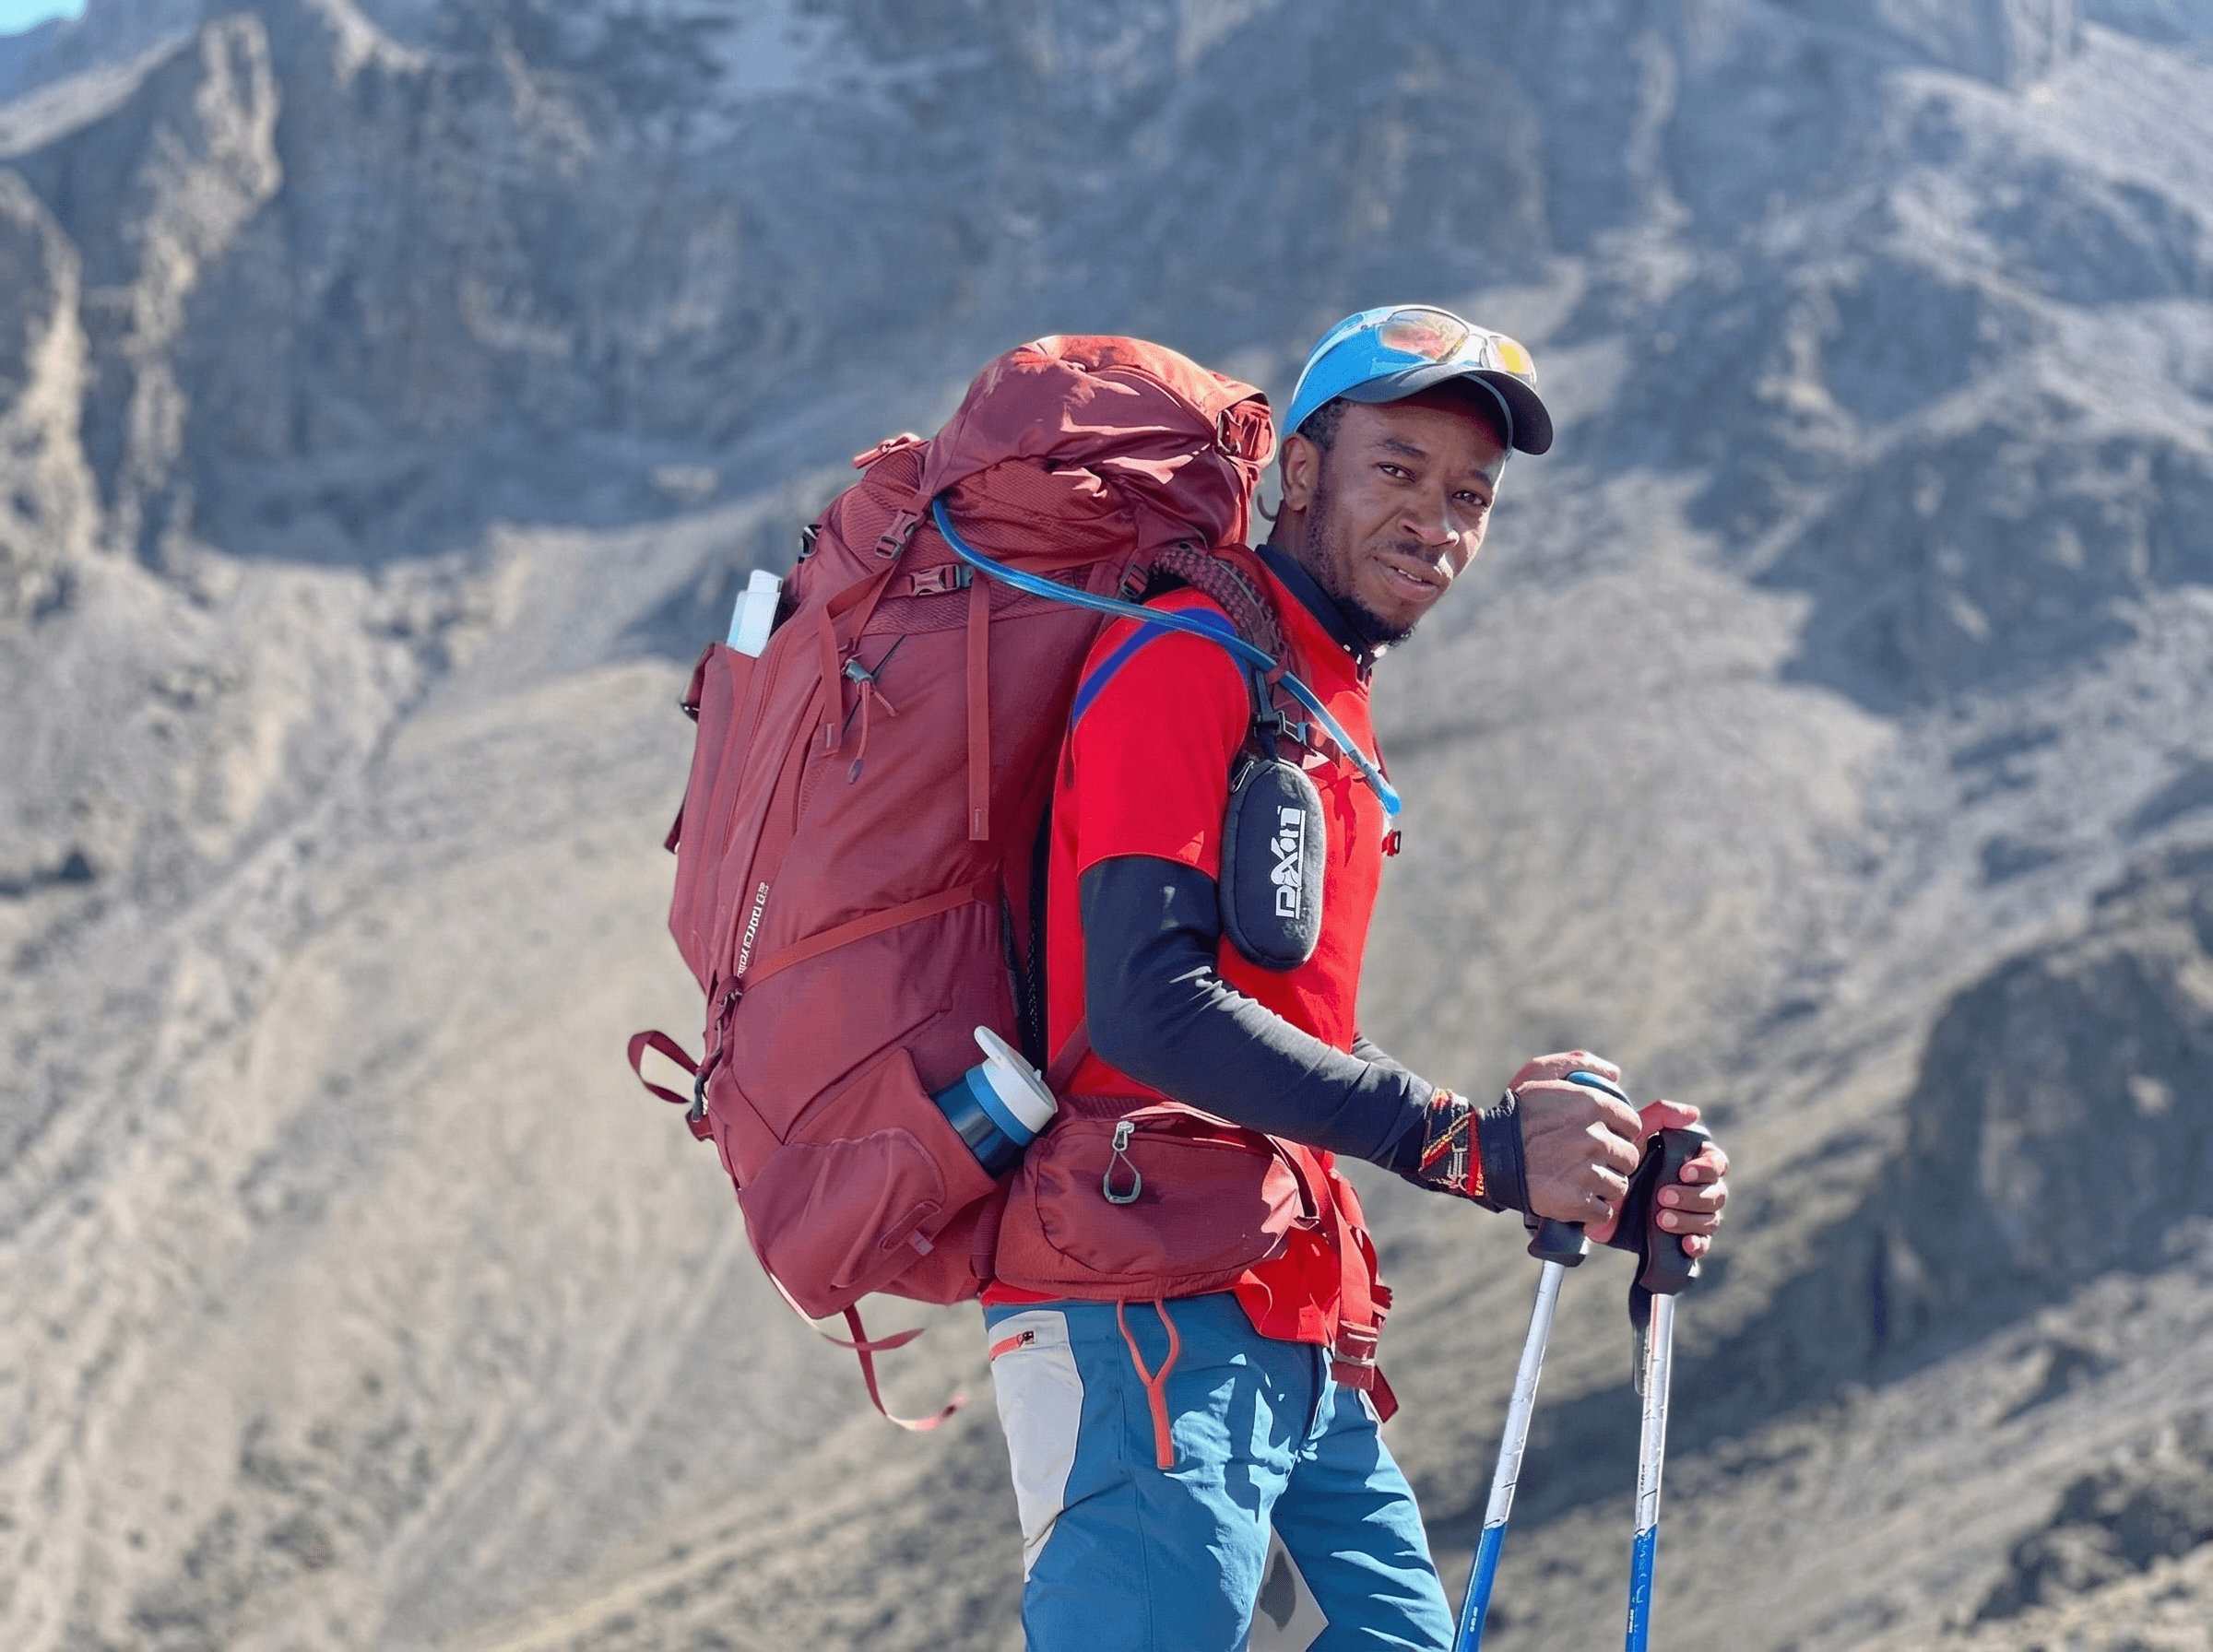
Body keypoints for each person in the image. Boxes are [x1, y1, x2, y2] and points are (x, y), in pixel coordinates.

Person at [981, 305, 1731, 1651]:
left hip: (1288, 1315)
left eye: (1469, 496)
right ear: (1303, 474)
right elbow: (1152, 1011)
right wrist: (1472, 1147)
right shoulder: (1182, 660)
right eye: (1398, 470)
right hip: (1140, 1302)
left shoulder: (1318, 700)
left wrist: (1589, 1176)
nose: (1436, 521)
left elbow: (1287, 1033)